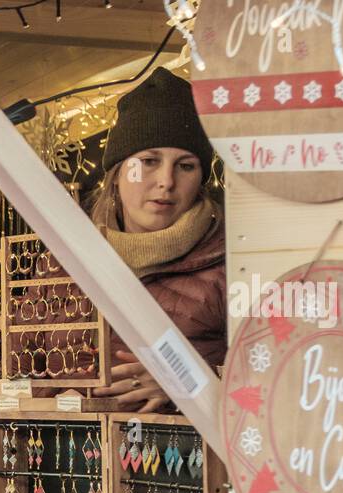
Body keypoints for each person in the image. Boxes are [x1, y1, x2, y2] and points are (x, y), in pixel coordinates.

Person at [88, 67, 226, 413]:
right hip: (70, 462)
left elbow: (277, 382)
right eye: (148, 162)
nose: (166, 181)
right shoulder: (64, 262)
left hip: (188, 464)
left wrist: (192, 385)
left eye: (186, 166)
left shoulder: (234, 267)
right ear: (117, 173)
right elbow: (19, 377)